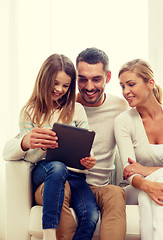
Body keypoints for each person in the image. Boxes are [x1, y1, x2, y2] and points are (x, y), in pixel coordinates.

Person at [3, 54, 99, 240]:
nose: (59, 90)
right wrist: (40, 146)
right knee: (57, 166)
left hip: (75, 176)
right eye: (55, 83)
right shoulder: (29, 111)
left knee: (91, 216)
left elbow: (86, 144)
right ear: (44, 79)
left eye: (65, 85)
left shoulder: (76, 109)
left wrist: (89, 159)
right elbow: (28, 157)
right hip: (46, 170)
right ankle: (49, 234)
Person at [114, 58, 163, 240]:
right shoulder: (123, 121)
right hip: (135, 188)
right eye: (122, 86)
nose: (126, 92)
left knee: (150, 195)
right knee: (156, 183)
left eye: (131, 84)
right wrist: (147, 184)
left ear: (150, 83)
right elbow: (130, 172)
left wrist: (146, 171)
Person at [58, 47, 129, 239]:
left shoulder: (121, 107)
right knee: (58, 189)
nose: (89, 87)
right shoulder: (63, 104)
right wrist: (25, 141)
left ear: (108, 77)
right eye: (82, 79)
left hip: (98, 187)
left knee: (115, 193)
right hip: (63, 182)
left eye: (96, 79)